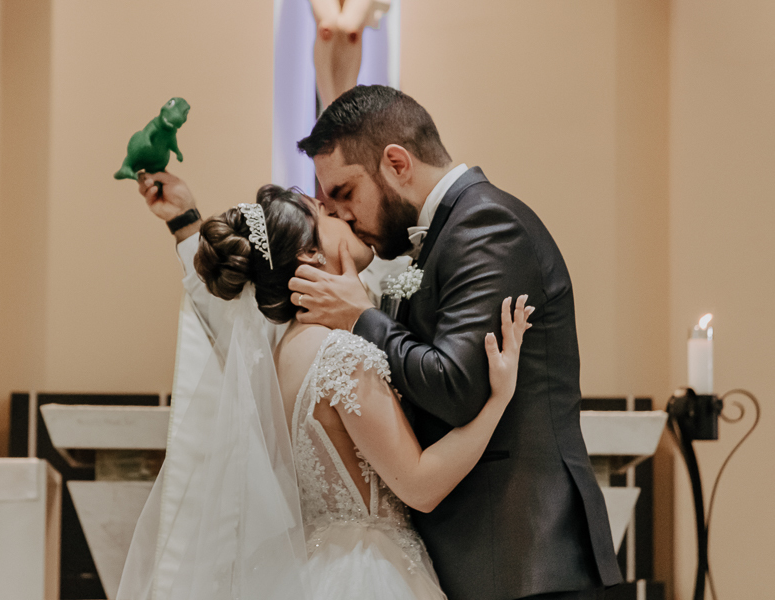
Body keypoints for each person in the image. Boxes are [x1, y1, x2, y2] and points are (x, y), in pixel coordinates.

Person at [287, 84, 624, 600]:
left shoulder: (486, 224)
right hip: (485, 561)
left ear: (396, 163)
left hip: (524, 559)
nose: (345, 215)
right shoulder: (439, 237)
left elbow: (457, 385)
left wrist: (363, 318)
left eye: (347, 193)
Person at [122, 179, 532, 600]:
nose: (343, 216)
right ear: (309, 254)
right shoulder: (338, 352)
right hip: (369, 574)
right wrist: (498, 399)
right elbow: (420, 487)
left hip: (316, 566)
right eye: (329, 215)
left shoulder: (284, 349)